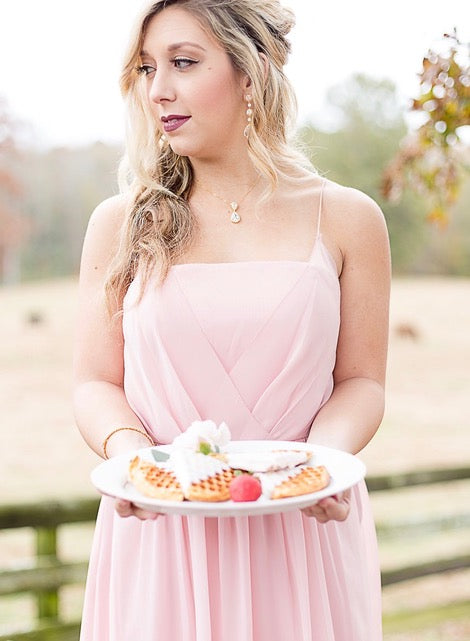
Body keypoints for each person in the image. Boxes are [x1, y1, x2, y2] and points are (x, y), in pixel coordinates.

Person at [73, 1, 390, 639]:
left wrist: (321, 465)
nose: (159, 90)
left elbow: (362, 381)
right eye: (145, 69)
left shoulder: (350, 218)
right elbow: (94, 384)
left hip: (303, 527)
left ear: (252, 73)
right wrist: (137, 461)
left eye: (183, 63)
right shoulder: (121, 225)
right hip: (162, 534)